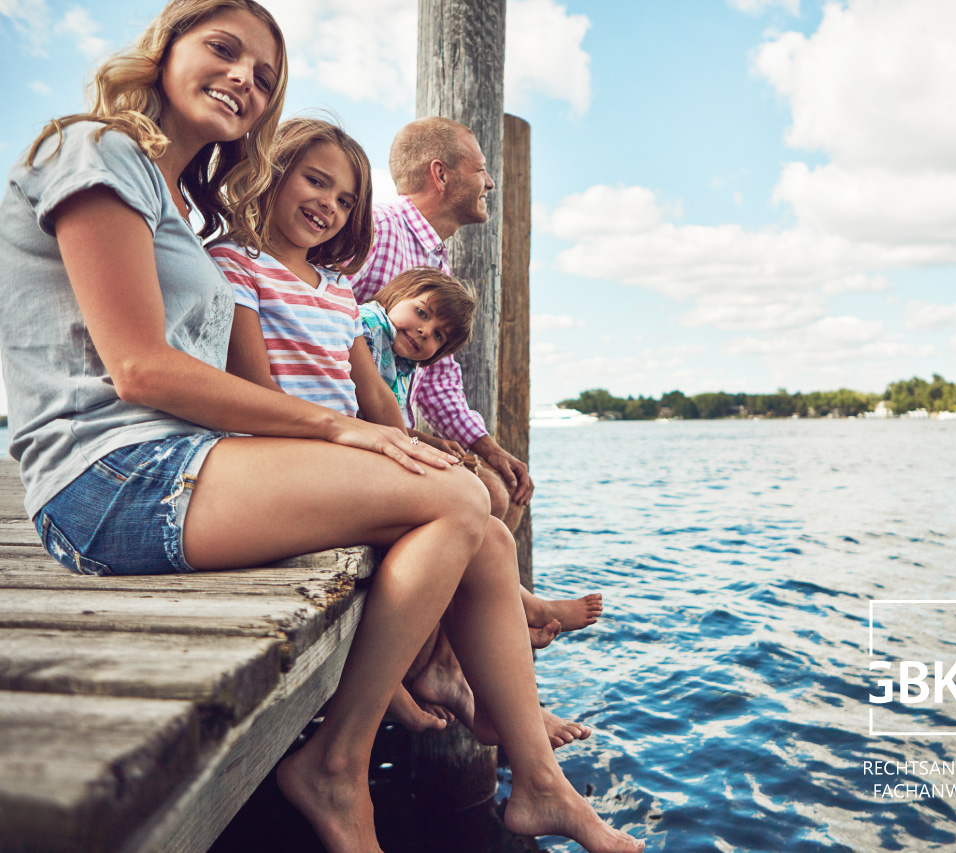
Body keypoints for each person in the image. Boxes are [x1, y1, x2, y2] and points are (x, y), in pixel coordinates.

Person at [0, 3, 643, 852]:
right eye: (222, 49)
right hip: (106, 481)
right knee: (456, 497)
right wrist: (341, 433)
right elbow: (141, 370)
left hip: (174, 464)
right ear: (164, 50)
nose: (243, 78)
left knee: (485, 531)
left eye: (265, 76)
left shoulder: (171, 201)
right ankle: (339, 762)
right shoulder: (97, 150)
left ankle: (537, 781)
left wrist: (390, 432)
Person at [208, 117, 599, 741]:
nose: (332, 208)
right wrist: (377, 440)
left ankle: (503, 723)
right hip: (291, 451)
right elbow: (267, 389)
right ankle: (456, 662)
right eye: (317, 183)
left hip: (343, 443)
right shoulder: (298, 252)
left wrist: (447, 445)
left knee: (485, 505)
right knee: (475, 502)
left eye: (346, 201)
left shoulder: (341, 288)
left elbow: (382, 386)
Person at [350, 117, 532, 527]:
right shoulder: (378, 228)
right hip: (355, 431)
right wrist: (414, 438)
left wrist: (488, 449)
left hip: (393, 432)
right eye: (481, 169)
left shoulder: (435, 263)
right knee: (490, 497)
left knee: (507, 492)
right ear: (441, 174)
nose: (489, 183)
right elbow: (321, 313)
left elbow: (437, 377)